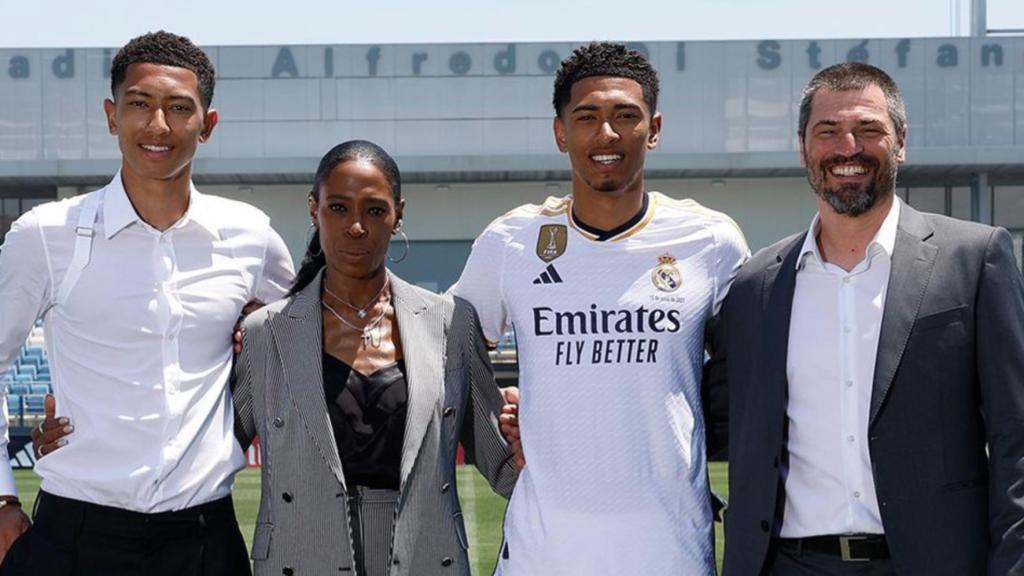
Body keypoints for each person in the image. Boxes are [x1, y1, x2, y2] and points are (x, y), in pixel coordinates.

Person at [0, 31, 294, 575]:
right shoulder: (46, 234)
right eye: (139, 104)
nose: (158, 126)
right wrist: (1, 502)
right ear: (113, 116)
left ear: (207, 125)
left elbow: (305, 346)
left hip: (205, 539)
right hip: (73, 537)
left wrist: (257, 332)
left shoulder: (252, 237)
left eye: (179, 108)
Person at [716, 61, 1024, 575]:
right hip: (789, 564)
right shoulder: (756, 286)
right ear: (803, 147)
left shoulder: (974, 259)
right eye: (828, 131)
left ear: (900, 142)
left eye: (869, 130)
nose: (848, 149)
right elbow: (715, 418)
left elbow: (1017, 439)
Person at [452, 42, 748, 575]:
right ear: (561, 132)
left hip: (670, 550)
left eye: (625, 117)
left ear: (654, 129)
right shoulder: (513, 241)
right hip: (543, 555)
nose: (606, 135)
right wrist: (498, 424)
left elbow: (750, 373)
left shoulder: (711, 240)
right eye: (586, 117)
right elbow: (446, 349)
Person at [228, 140, 519, 575]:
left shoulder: (450, 324)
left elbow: (503, 465)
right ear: (314, 209)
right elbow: (210, 458)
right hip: (301, 558)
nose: (357, 227)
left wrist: (532, 436)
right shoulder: (264, 334)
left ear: (398, 213)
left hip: (423, 560)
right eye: (339, 208)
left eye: (375, 210)